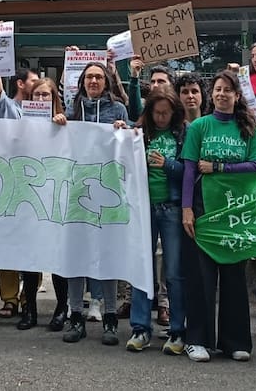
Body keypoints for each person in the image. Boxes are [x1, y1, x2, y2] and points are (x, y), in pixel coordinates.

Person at [180, 70, 256, 362]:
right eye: (217, 89)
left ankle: (236, 342)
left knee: (233, 276)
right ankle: (197, 340)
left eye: (227, 90)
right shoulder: (199, 127)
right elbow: (190, 169)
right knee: (201, 278)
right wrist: (187, 209)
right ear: (212, 94)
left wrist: (219, 168)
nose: (221, 94)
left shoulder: (249, 127)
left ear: (237, 95)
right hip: (203, 209)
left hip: (235, 212)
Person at [61, 61, 129, 345]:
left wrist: (125, 129)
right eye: (89, 77)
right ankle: (76, 315)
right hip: (77, 192)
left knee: (108, 255)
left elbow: (132, 139)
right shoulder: (72, 112)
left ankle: (111, 318)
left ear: (106, 81)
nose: (93, 81)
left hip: (108, 192)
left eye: (99, 77)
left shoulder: (118, 110)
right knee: (76, 257)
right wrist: (58, 126)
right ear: (82, 82)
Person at [125, 87, 187, 355]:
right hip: (144, 208)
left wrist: (168, 164)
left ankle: (177, 330)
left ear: (174, 113)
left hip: (171, 208)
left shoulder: (183, 133)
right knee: (142, 268)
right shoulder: (141, 132)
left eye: (166, 113)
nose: (161, 118)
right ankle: (140, 328)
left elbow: (189, 170)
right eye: (157, 113)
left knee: (173, 273)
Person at [0, 58, 40, 318]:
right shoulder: (9, 107)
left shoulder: (45, 111)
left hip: (35, 186)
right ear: (20, 83)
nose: (37, 84)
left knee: (35, 244)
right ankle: (9, 299)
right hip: (9, 184)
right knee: (9, 243)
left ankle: (29, 296)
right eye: (33, 80)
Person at [15, 77, 66, 331]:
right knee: (30, 258)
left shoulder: (64, 124)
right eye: (38, 96)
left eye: (47, 96)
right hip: (28, 199)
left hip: (55, 198)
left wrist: (60, 127)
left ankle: (61, 309)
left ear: (54, 98)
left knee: (58, 258)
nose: (42, 100)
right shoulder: (20, 126)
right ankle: (29, 310)